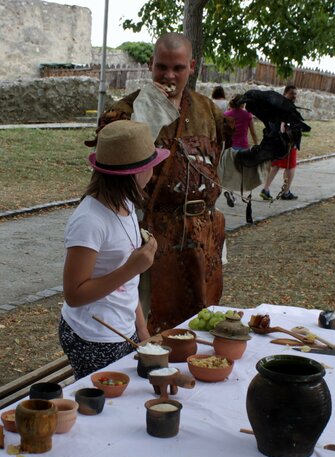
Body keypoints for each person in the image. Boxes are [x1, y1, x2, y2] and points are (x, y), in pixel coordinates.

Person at [87, 32, 226, 334]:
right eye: (162, 67)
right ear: (150, 64)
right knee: (150, 321)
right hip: (152, 231)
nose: (169, 75)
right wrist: (146, 115)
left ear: (192, 66)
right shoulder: (123, 113)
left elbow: (220, 164)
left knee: (202, 320)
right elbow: (107, 176)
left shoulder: (208, 111)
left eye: (178, 68)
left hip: (202, 233)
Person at [59, 120, 170, 380]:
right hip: (94, 335)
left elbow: (128, 288)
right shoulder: (90, 221)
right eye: (151, 167)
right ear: (135, 174)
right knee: (103, 409)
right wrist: (133, 267)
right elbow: (74, 294)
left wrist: (142, 332)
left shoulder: (127, 205)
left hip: (123, 328)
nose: (153, 173)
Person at [259, 85, 299, 201]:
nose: (294, 96)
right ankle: (286, 192)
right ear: (285, 93)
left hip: (277, 140)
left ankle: (265, 190)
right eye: (292, 93)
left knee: (275, 166)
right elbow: (284, 125)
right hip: (287, 142)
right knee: (290, 167)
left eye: (295, 94)